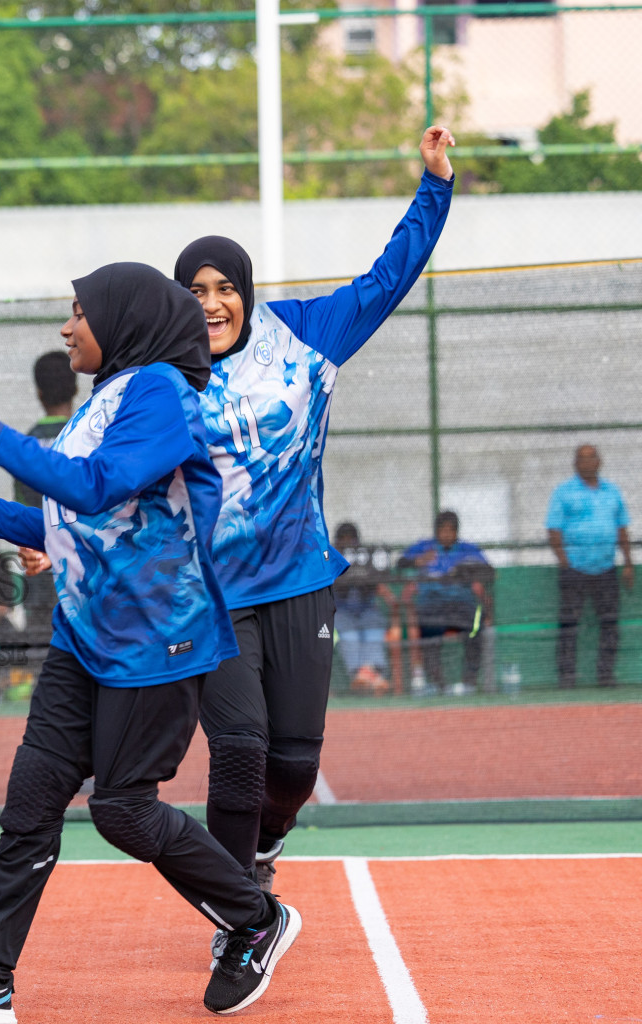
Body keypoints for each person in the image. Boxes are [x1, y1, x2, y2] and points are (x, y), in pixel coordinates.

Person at [0, 264, 300, 1023]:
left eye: (79, 312)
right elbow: (67, 520)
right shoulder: (104, 401)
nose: (66, 327)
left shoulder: (163, 394)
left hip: (158, 640)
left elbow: (97, 486)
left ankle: (255, 917)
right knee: (32, 801)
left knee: (122, 811)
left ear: (122, 321)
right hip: (85, 635)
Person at [173, 126, 456, 930]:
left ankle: (263, 847)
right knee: (238, 749)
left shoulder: (306, 335)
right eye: (194, 289)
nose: (212, 302)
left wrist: (435, 183)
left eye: (224, 286)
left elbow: (390, 277)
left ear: (247, 290)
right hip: (213, 599)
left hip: (301, 581)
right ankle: (238, 919)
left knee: (293, 766)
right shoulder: (158, 370)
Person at [547, 444, 633, 688]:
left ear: (599, 461)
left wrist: (628, 563)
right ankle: (567, 676)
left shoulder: (612, 492)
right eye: (582, 459)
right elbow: (553, 529)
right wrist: (565, 562)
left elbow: (622, 528)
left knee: (609, 622)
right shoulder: (563, 492)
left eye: (591, 458)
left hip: (606, 568)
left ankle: (606, 676)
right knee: (569, 624)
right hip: (574, 569)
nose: (587, 463)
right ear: (575, 464)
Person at [399, 511, 492, 694]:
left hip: (461, 604)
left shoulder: (468, 550)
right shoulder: (424, 547)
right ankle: (438, 684)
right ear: (436, 532)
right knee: (429, 632)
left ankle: (469, 682)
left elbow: (489, 571)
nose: (447, 535)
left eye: (451, 530)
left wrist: (468, 570)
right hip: (431, 604)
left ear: (457, 532)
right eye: (443, 530)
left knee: (476, 628)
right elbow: (400, 563)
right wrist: (419, 561)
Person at [331, 523, 398, 694]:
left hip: (367, 609)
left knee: (373, 631)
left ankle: (365, 674)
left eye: (351, 539)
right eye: (343, 540)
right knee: (349, 636)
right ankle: (372, 677)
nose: (347, 543)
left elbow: (381, 582)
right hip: (341, 611)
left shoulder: (367, 558)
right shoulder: (329, 557)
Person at [10, 351, 77, 508]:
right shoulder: (90, 436)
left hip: (35, 530)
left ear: (39, 393)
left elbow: (21, 502)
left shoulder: (26, 444)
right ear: (75, 389)